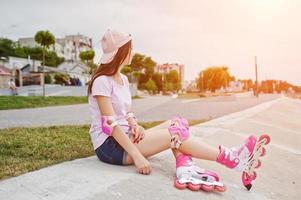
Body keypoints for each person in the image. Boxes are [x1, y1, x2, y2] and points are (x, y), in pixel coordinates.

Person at [87, 29, 270, 192]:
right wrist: (137, 156)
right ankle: (233, 159)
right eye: (130, 48)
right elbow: (109, 124)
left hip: (126, 136)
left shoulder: (123, 80)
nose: (133, 52)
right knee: (175, 135)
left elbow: (125, 112)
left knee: (176, 123)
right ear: (121, 52)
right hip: (110, 146)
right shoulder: (102, 81)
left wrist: (135, 124)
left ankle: (185, 165)